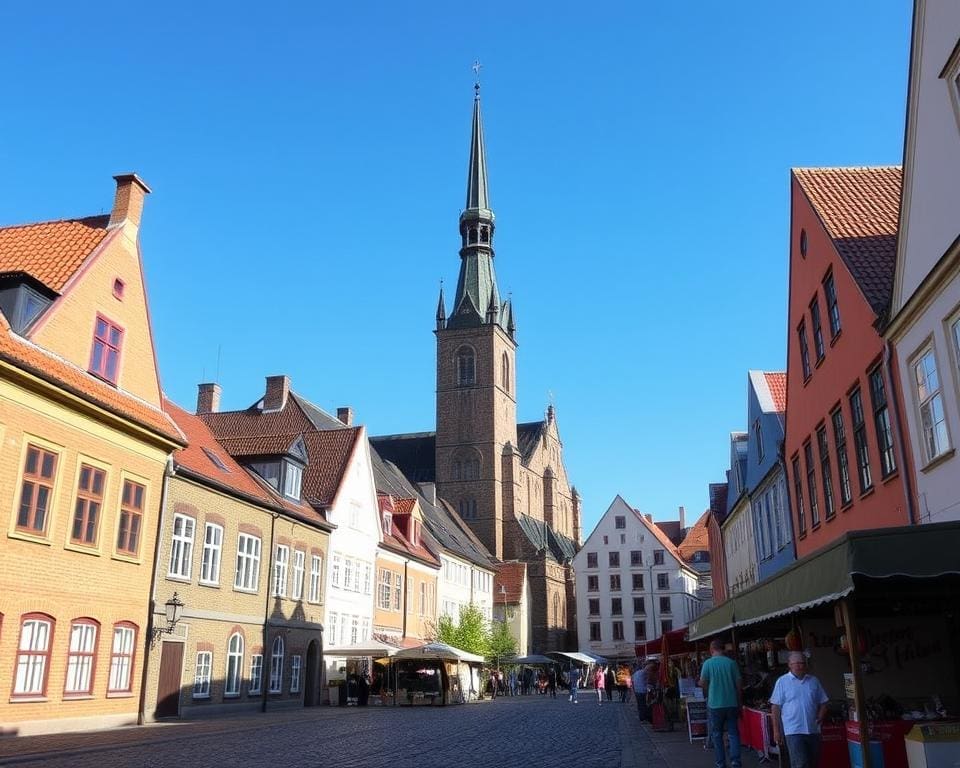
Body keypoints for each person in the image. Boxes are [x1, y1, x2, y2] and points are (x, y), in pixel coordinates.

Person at [770, 652, 829, 768]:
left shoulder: (813, 681)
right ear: (789, 665)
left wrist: (821, 715)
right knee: (800, 764)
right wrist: (776, 731)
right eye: (796, 663)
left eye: (801, 663)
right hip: (793, 731)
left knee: (813, 763)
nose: (799, 666)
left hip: (813, 730)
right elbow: (775, 707)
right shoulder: (782, 682)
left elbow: (824, 702)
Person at [699, 639, 743, 768]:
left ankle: (720, 763)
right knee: (733, 733)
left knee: (717, 734)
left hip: (715, 704)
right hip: (731, 703)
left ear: (711, 649)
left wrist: (708, 689)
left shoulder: (707, 663)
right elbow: (739, 684)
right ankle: (735, 762)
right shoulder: (731, 663)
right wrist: (739, 702)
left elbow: (702, 682)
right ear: (723, 649)